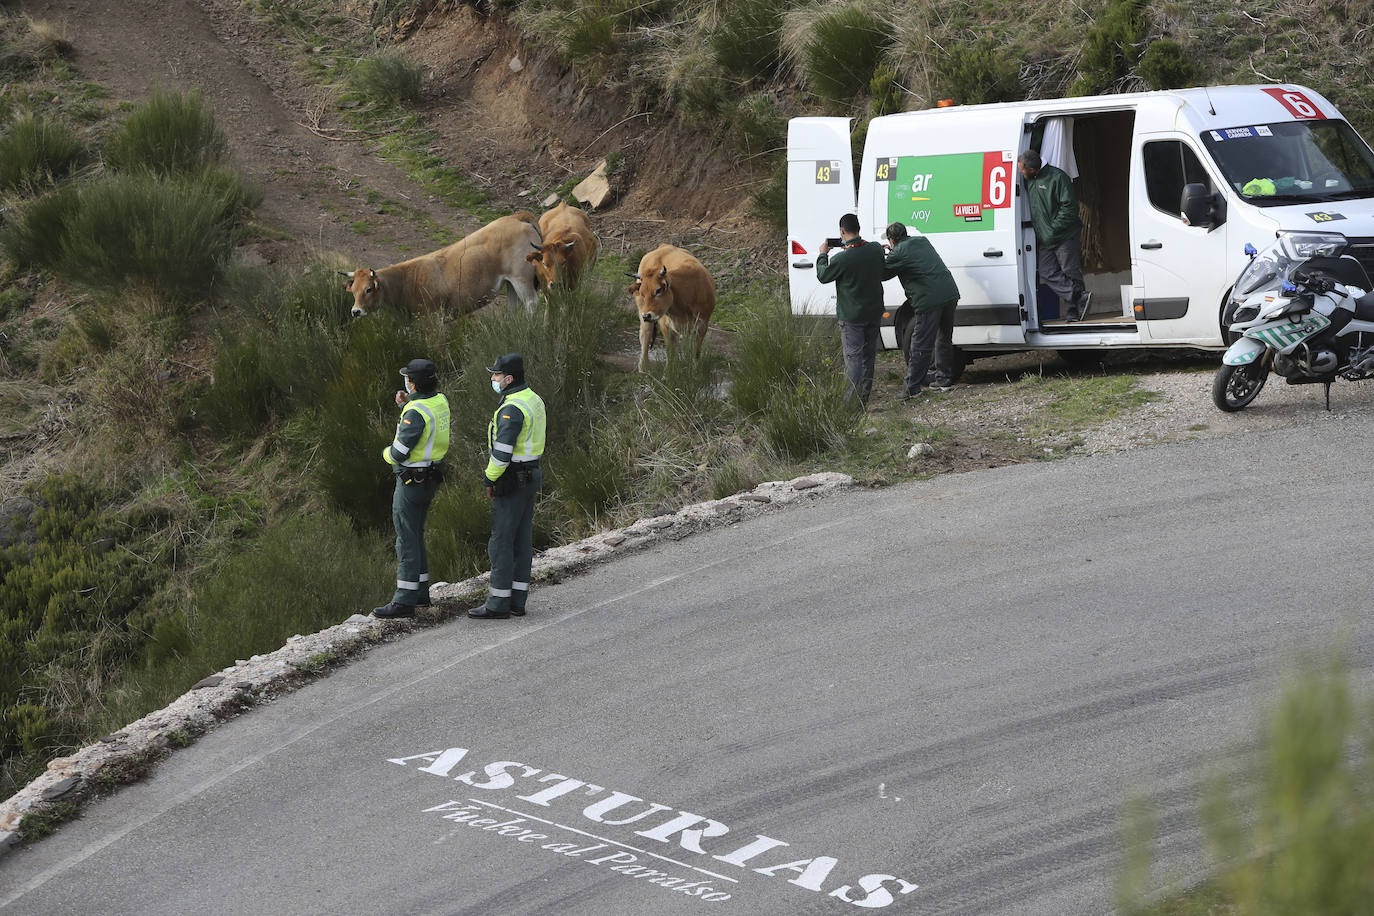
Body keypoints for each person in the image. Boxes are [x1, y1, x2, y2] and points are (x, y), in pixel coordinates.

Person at [373, 358, 450, 619]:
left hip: (411, 481)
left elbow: (400, 452)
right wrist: (408, 404)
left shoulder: (415, 412)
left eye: (407, 378)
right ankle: (420, 594)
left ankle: (404, 601)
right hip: (430, 478)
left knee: (406, 538)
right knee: (416, 535)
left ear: (413, 383)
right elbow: (425, 425)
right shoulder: (439, 402)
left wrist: (385, 453)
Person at [472, 353, 546, 620]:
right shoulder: (533, 399)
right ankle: (517, 600)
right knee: (522, 539)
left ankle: (497, 604)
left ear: (509, 378)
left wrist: (489, 479)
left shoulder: (511, 408)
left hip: (512, 478)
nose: (493, 379)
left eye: (496, 375)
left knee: (501, 541)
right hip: (531, 473)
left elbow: (502, 453)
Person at [882, 222, 960, 399]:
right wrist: (892, 252)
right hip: (949, 294)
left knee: (920, 344)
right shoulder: (922, 241)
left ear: (892, 240)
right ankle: (944, 380)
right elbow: (913, 257)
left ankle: (912, 388)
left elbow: (883, 274)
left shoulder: (898, 252)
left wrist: (884, 255)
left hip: (928, 300)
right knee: (943, 337)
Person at [815, 213, 887, 405]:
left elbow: (823, 276)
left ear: (842, 232)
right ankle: (863, 399)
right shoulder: (874, 249)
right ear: (859, 228)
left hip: (852, 317)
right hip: (874, 312)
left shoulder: (842, 259)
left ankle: (851, 404)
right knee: (868, 357)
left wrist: (823, 254)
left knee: (853, 360)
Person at [1018, 149, 1092, 321]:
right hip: (1045, 238)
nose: (1021, 173)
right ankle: (1078, 297)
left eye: (1023, 170)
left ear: (1033, 169)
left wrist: (1053, 229)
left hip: (1064, 235)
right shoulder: (1031, 178)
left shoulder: (1057, 177)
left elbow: (1069, 208)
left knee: (1070, 270)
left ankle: (1074, 310)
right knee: (1046, 271)